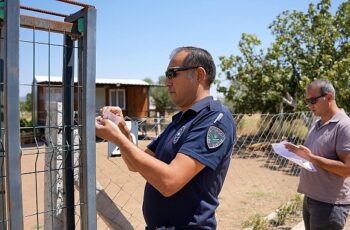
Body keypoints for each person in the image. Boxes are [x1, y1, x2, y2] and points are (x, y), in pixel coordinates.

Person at [95, 46, 236, 229]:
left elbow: (169, 182)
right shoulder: (182, 120)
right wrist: (122, 130)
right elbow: (134, 164)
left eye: (172, 73)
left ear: (199, 75)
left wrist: (118, 139)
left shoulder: (215, 119)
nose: (167, 81)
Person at [285, 79, 350, 230]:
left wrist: (311, 158)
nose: (309, 105)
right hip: (311, 199)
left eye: (313, 100)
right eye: (307, 101)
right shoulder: (316, 124)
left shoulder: (345, 126)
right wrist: (294, 152)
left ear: (328, 97)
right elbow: (311, 156)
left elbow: (347, 169)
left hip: (330, 205)